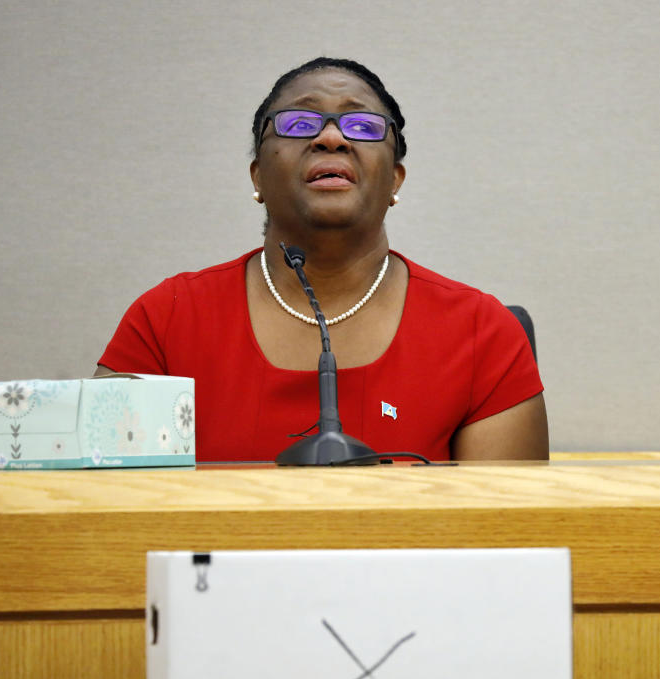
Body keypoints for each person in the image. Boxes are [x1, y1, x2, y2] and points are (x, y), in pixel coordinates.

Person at [97, 57, 548, 463]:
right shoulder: (168, 320)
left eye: (363, 126)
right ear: (258, 176)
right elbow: (107, 515)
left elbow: (505, 534)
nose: (331, 137)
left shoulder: (480, 334)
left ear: (395, 180)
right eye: (298, 123)